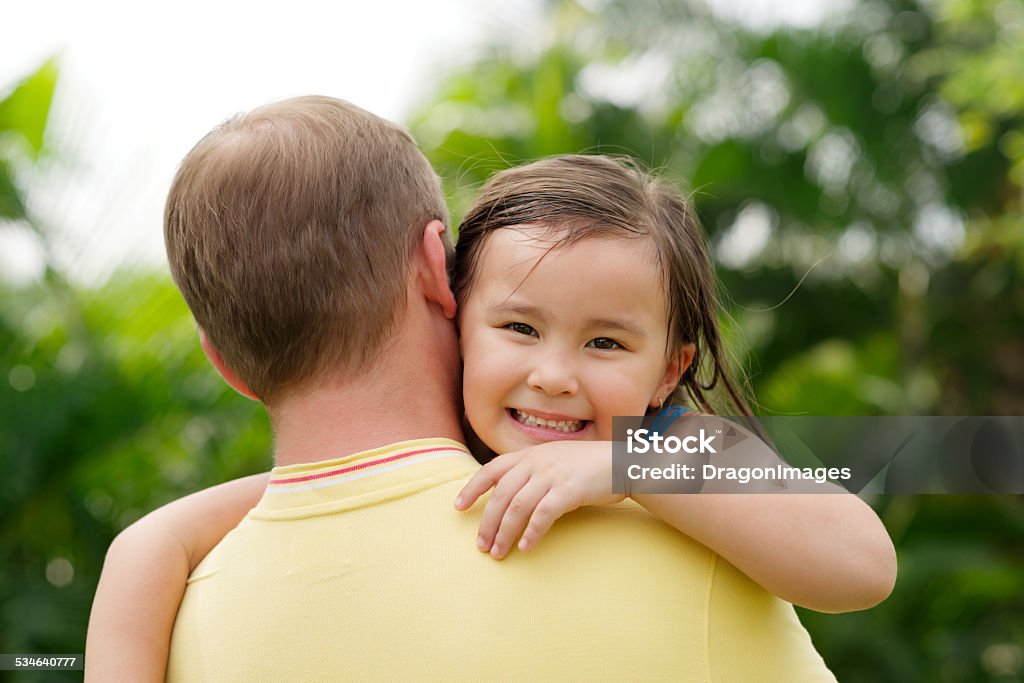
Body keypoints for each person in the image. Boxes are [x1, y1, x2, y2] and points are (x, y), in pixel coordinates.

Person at [86, 96, 894, 681]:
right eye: (519, 329)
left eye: (606, 341)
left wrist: (628, 461)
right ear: (447, 282)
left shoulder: (678, 456)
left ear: (671, 370)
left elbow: (862, 563)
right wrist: (152, 543)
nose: (553, 374)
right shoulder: (666, 550)